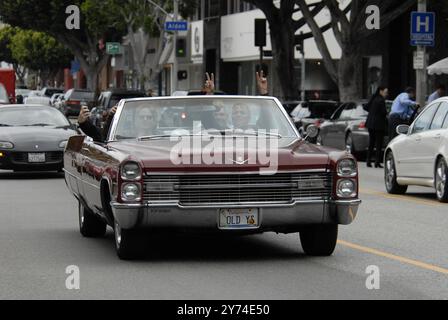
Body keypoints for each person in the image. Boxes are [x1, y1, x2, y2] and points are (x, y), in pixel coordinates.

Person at [365, 86, 389, 168]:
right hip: (379, 125)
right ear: (380, 91)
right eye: (385, 92)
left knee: (371, 143)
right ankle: (377, 162)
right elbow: (384, 112)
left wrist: (373, 112)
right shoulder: (381, 100)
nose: (386, 94)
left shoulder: (373, 98)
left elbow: (366, 107)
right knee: (379, 144)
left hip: (370, 124)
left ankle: (368, 161)